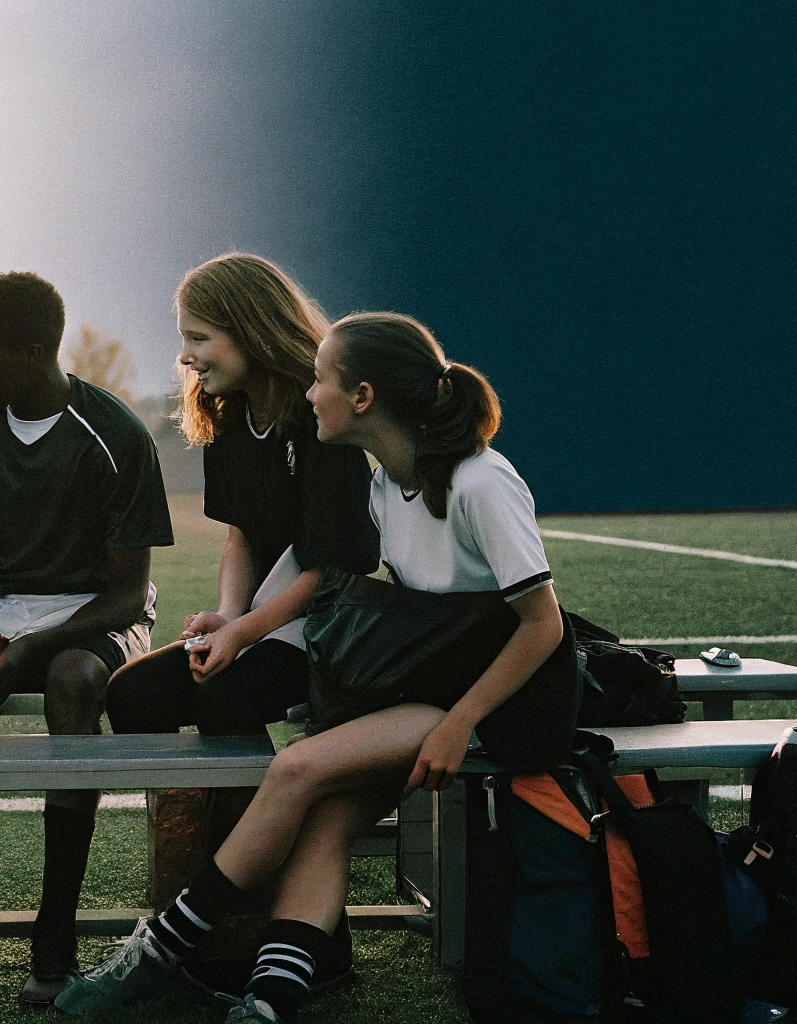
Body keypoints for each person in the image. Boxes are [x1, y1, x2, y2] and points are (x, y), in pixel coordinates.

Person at [57, 311, 578, 1022]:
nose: (308, 394)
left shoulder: (480, 482)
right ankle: (271, 1003)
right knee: (326, 819)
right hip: (430, 694)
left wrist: (460, 724)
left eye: (321, 380)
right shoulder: (386, 484)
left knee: (296, 769)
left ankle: (157, 954)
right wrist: (236, 626)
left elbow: (543, 627)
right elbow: (309, 558)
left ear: (362, 397)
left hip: (505, 705)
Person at [0, 272, 175, 1002]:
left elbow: (124, 594)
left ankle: (55, 937)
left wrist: (32, 649)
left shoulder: (115, 435)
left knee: (73, 680)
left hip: (96, 617)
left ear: (37, 350)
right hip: (4, 610)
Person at [104, 254, 378, 860]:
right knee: (133, 695)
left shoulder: (320, 419)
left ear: (251, 328)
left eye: (199, 337)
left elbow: (333, 569)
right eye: (184, 338)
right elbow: (241, 536)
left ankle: (240, 876)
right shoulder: (228, 418)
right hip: (267, 622)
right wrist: (229, 617)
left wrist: (243, 633)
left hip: (333, 626)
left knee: (225, 696)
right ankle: (187, 858)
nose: (186, 355)